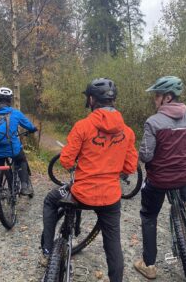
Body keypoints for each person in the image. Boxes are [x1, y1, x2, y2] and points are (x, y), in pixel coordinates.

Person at [40, 78, 138, 282]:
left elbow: (66, 161)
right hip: (110, 197)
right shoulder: (127, 132)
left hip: (81, 194)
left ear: (92, 99)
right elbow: (129, 167)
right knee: (113, 245)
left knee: (50, 200)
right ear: (113, 100)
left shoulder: (83, 126)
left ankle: (48, 250)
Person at [134, 76, 186, 279]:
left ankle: (149, 265)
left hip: (159, 180)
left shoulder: (153, 122)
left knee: (148, 216)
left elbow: (146, 155)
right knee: (182, 171)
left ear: (167, 97)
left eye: (156, 95)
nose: (154, 99)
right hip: (184, 176)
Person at [0, 87, 37, 196]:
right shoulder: (15, 113)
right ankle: (25, 186)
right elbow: (30, 126)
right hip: (13, 149)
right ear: (9, 100)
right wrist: (32, 129)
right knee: (21, 160)